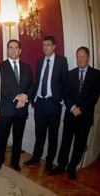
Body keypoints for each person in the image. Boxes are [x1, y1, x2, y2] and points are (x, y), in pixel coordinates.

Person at [51, 47, 100, 180]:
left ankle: (72, 167)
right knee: (65, 142)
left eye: (82, 56)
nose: (80, 59)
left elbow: (94, 96)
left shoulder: (96, 74)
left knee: (79, 145)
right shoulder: (70, 74)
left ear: (88, 58)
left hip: (85, 118)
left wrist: (81, 109)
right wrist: (72, 107)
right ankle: (61, 166)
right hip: (70, 115)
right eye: (78, 56)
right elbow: (65, 93)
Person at [23, 36, 68, 172]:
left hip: (53, 104)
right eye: (44, 45)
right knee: (39, 133)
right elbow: (38, 80)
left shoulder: (61, 61)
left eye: (48, 45)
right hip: (40, 104)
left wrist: (60, 101)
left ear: (54, 47)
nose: (45, 47)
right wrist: (34, 99)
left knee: (53, 135)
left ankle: (49, 161)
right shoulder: (40, 61)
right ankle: (36, 157)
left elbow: (65, 83)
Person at [0, 40, 33, 172]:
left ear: (20, 51)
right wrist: (17, 96)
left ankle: (15, 162)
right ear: (7, 50)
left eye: (16, 48)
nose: (13, 50)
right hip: (5, 110)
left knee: (18, 138)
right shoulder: (0, 67)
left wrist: (26, 96)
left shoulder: (27, 67)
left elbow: (32, 86)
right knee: (2, 138)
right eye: (10, 48)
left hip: (21, 110)